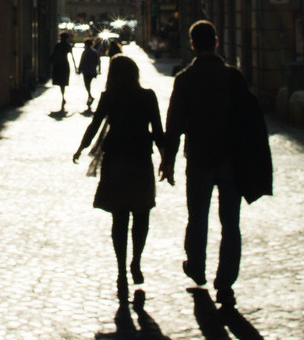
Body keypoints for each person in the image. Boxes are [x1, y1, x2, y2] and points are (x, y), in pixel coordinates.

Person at [159, 20, 271, 308]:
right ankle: (225, 280)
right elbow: (251, 119)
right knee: (230, 222)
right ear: (217, 42)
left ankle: (197, 267)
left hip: (198, 158)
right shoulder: (232, 77)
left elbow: (174, 124)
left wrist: (167, 161)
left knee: (197, 218)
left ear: (193, 44)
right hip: (230, 159)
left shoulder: (184, 79)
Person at [73, 55, 163, 301]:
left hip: (115, 160)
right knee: (142, 214)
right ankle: (136, 261)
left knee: (119, 218)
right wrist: (167, 159)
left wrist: (81, 147)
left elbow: (95, 124)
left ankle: (121, 268)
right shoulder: (147, 96)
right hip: (140, 160)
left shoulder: (109, 97)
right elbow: (157, 129)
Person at [49, 31, 76, 113]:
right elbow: (72, 56)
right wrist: (75, 66)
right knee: (63, 81)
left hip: (58, 65)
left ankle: (63, 95)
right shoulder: (68, 45)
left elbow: (53, 55)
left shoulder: (58, 45)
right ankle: (63, 95)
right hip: (65, 64)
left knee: (61, 82)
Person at [77, 38, 101, 114]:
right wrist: (98, 69)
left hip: (86, 71)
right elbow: (98, 61)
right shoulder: (95, 52)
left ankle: (90, 95)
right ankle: (90, 96)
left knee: (87, 84)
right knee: (88, 84)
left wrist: (79, 69)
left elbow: (82, 61)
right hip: (92, 70)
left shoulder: (85, 52)